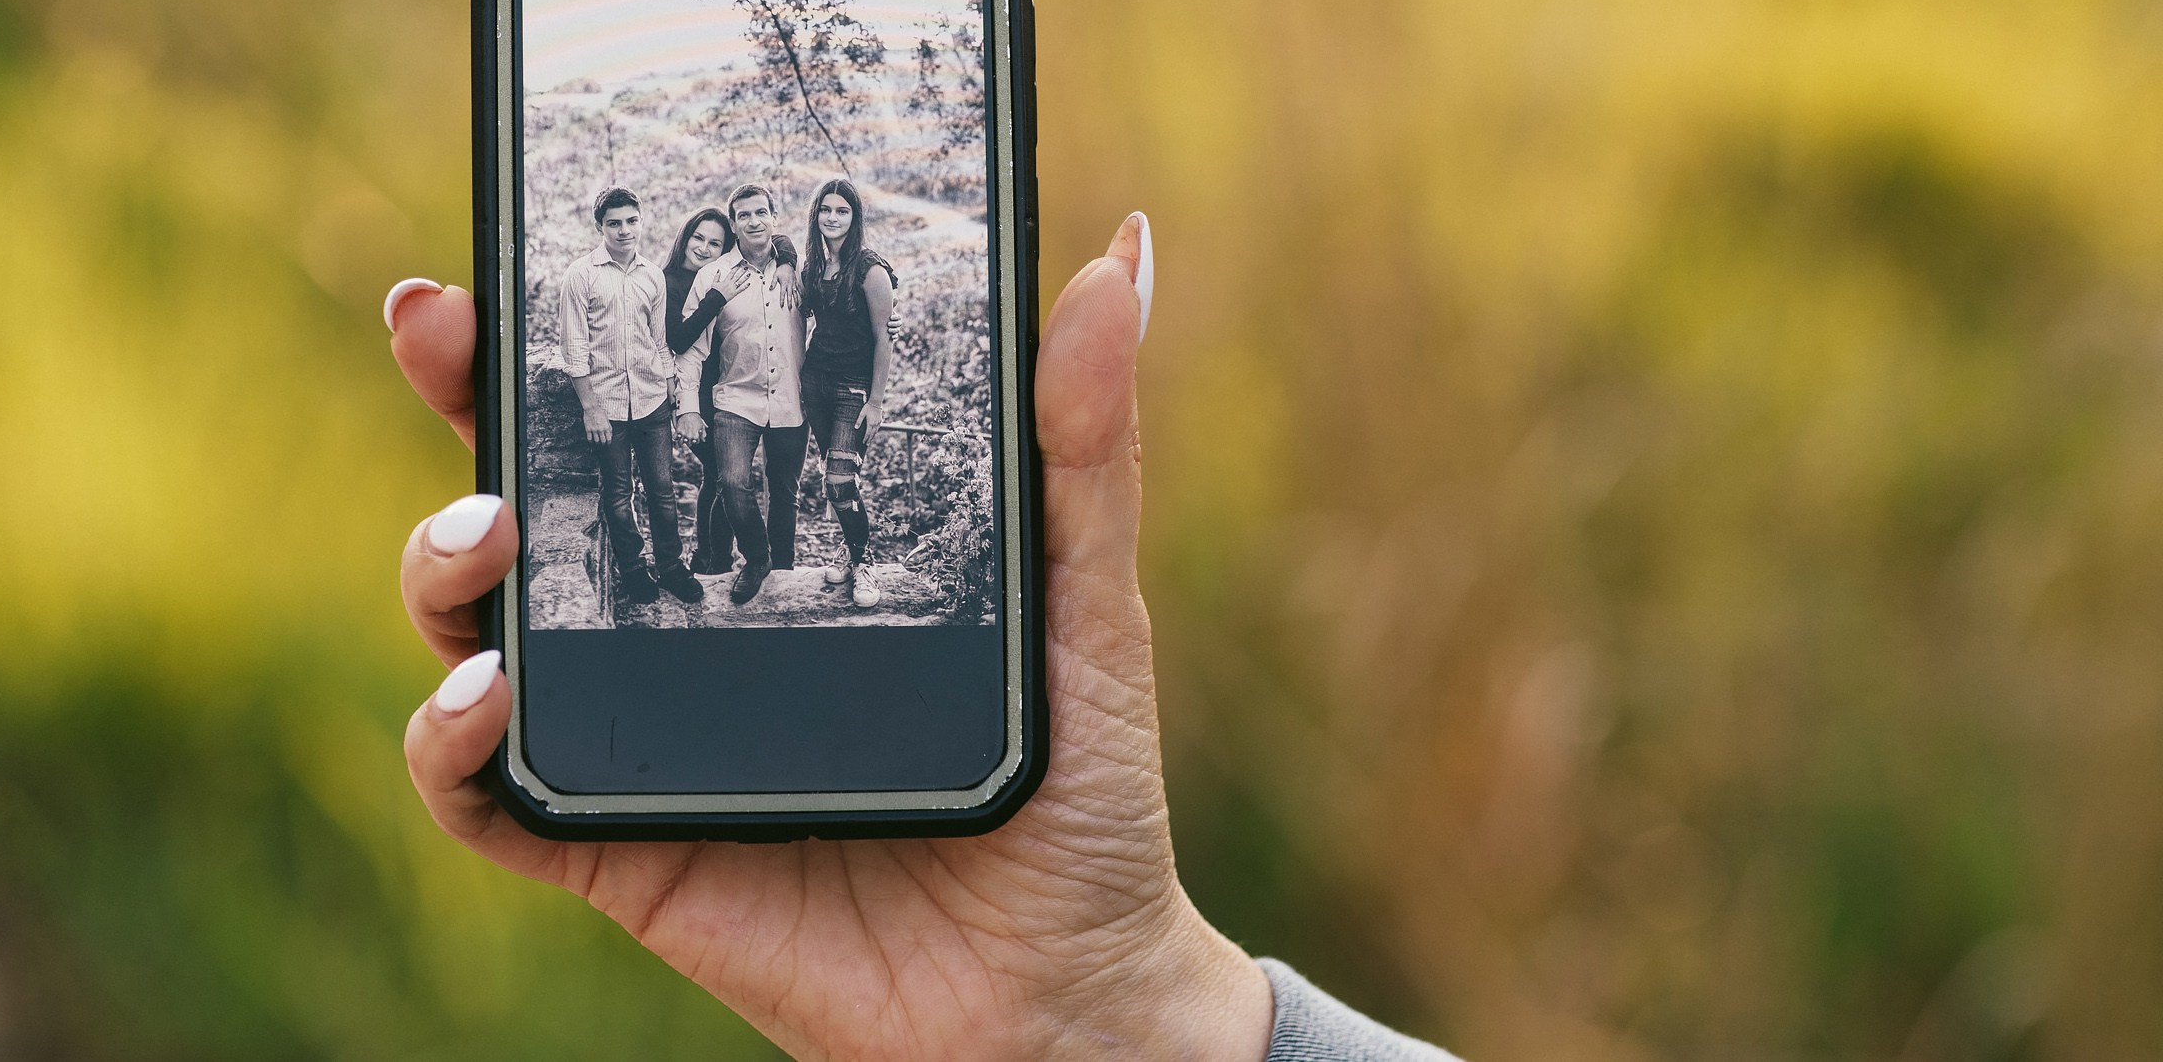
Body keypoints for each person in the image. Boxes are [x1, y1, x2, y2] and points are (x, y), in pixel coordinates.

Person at [385, 217, 1461, 1062]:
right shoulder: (688, 279)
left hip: (795, 399)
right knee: (697, 498)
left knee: (767, 496)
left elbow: (855, 339)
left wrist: (1115, 1013)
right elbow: (676, 341)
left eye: (778, 217)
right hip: (710, 399)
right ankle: (707, 578)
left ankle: (784, 570)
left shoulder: (847, 276)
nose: (768, 228)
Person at [555, 187, 702, 609]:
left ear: (641, 221)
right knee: (619, 494)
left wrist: (673, 388)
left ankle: (672, 567)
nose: (624, 231)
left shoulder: (652, 275)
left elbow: (658, 343)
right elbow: (574, 350)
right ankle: (634, 570)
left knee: (662, 490)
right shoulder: (580, 275)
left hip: (653, 400)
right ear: (600, 226)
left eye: (631, 221)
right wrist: (591, 407)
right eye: (614, 223)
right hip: (609, 409)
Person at [671, 182, 808, 605]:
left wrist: (887, 320)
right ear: (734, 223)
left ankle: (782, 570)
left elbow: (842, 309)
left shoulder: (797, 271)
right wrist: (688, 408)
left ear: (774, 218)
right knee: (731, 481)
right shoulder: (713, 276)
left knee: (784, 490)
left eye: (760, 213)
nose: (753, 221)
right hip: (734, 398)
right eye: (744, 215)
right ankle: (757, 558)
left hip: (790, 397)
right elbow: (691, 350)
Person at [797, 178, 897, 609]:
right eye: (825, 210)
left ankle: (865, 562)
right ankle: (849, 547)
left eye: (841, 210)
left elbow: (884, 338)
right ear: (816, 215)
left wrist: (875, 402)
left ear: (854, 217)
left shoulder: (870, 269)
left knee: (839, 479)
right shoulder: (812, 267)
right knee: (839, 478)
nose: (832, 218)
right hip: (815, 383)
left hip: (853, 389)